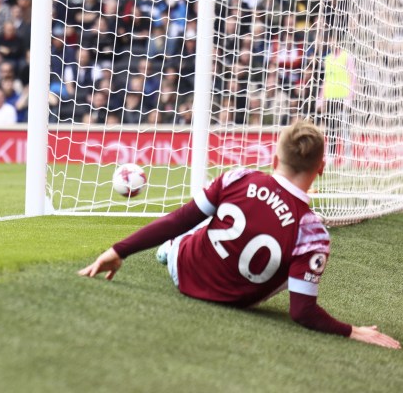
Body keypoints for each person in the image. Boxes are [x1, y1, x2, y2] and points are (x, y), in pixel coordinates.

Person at [79, 121, 400, 349]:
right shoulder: (314, 231)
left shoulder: (238, 178)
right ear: (321, 168)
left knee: (200, 220)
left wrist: (118, 250)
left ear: (275, 160)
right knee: (288, 246)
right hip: (235, 300)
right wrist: (353, 331)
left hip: (184, 272)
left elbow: (178, 219)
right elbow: (302, 311)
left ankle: (169, 249)